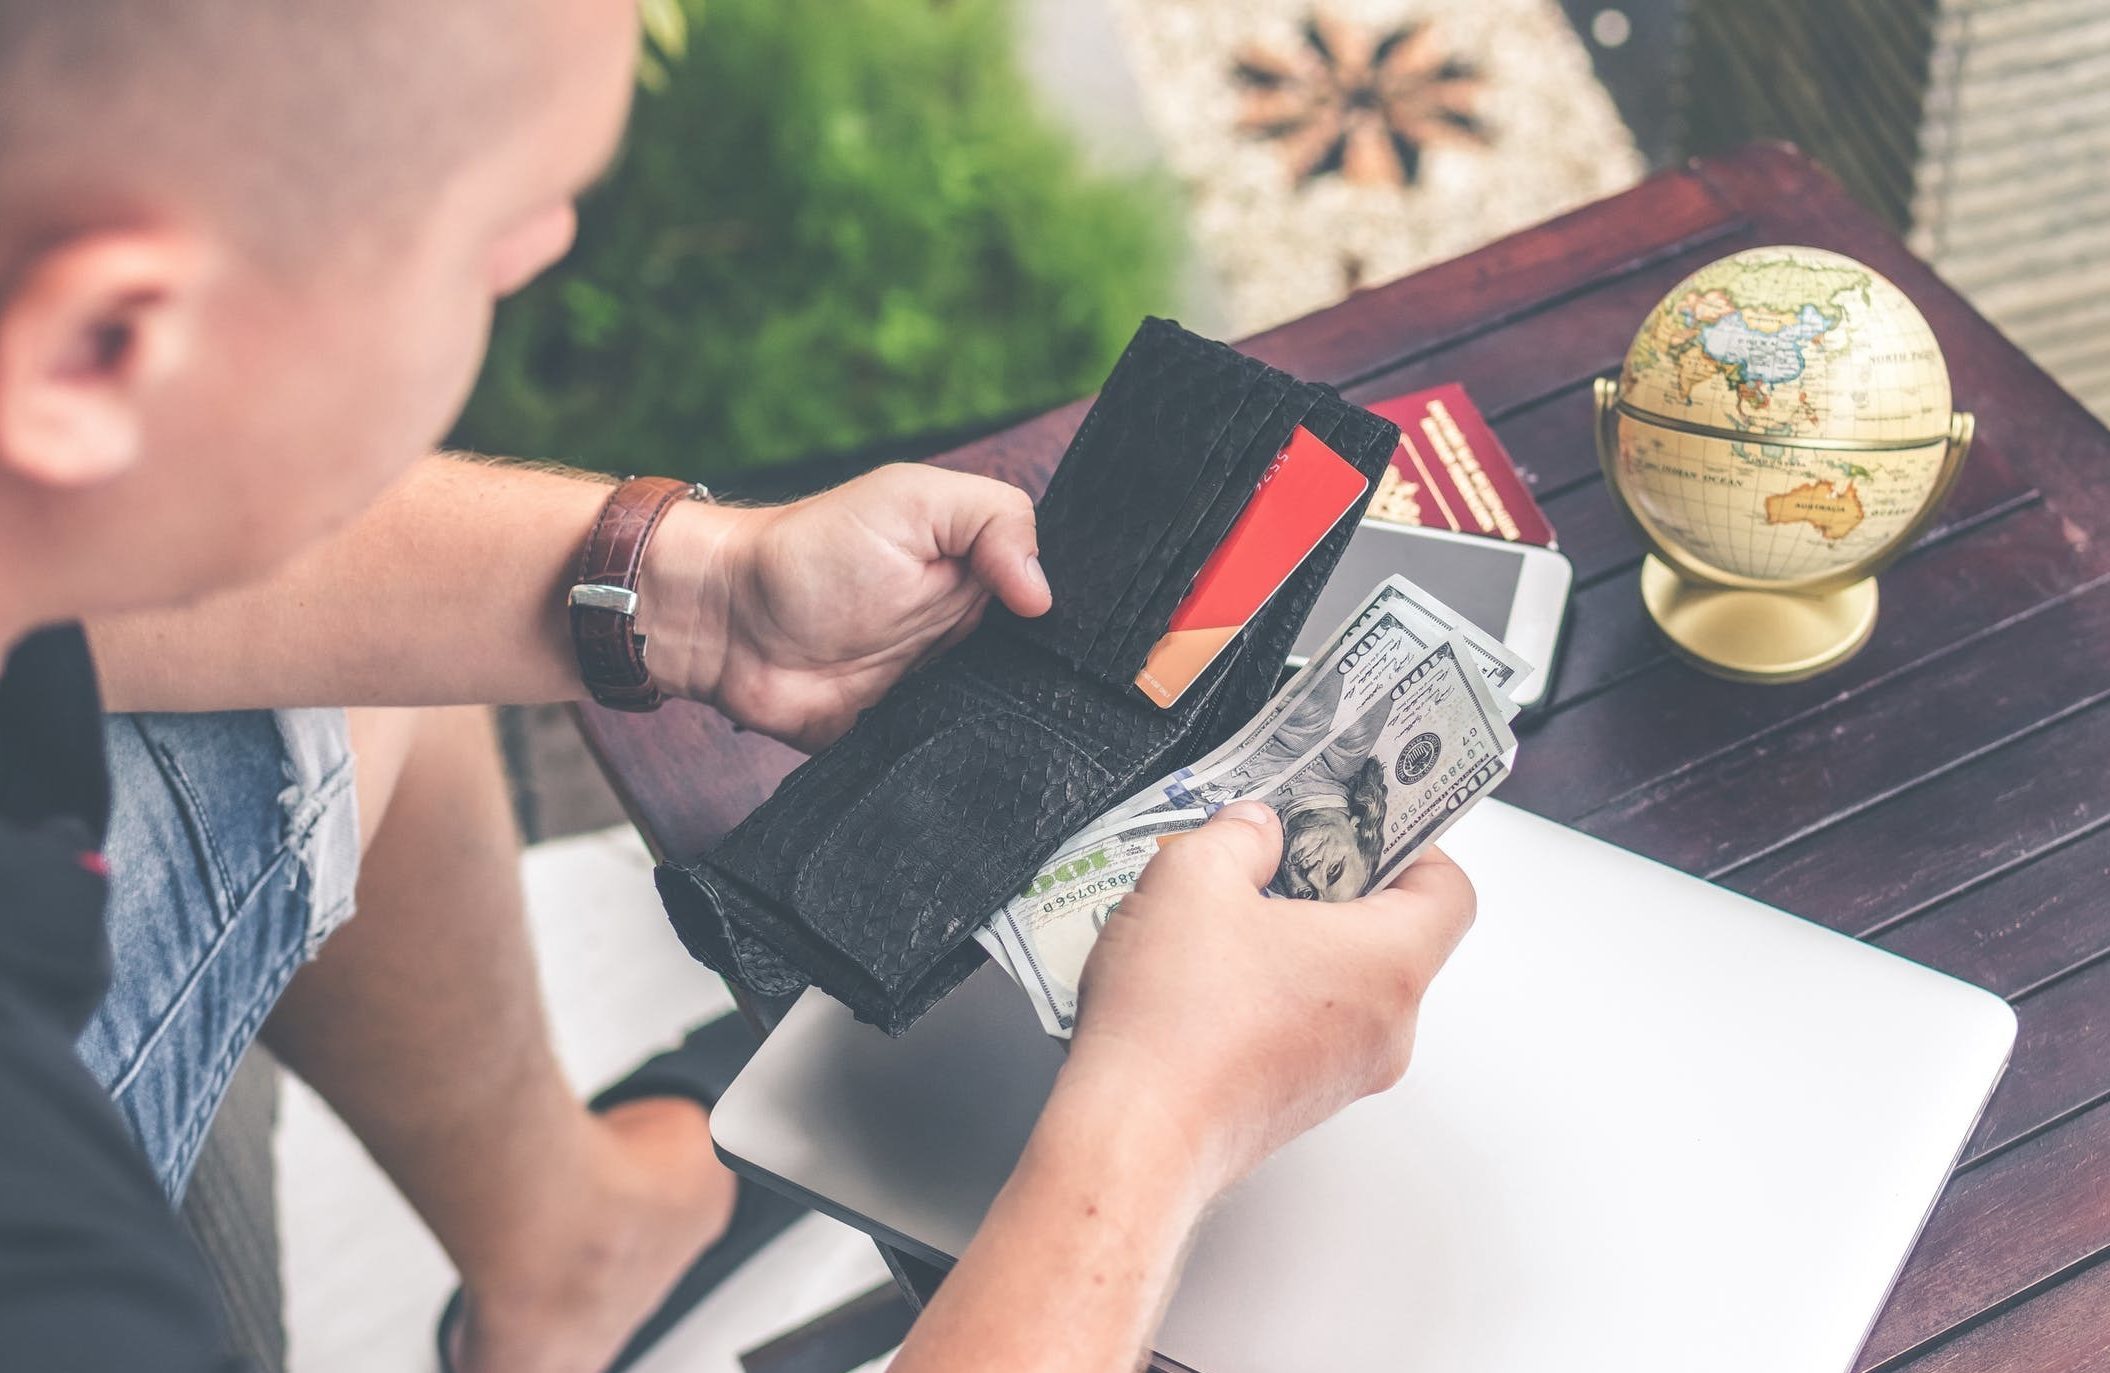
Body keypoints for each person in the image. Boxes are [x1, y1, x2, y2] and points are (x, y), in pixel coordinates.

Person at [0, 4, 1477, 1373]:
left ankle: (573, 1247)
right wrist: (1156, 1119)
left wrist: (701, 596)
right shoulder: (56, 1275)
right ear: (95, 348)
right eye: (490, 241)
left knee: (332, 679)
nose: (550, 241)